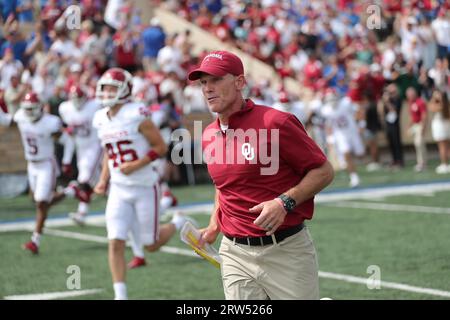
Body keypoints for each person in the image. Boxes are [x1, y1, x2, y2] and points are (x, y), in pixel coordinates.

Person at [188, 51, 334, 300]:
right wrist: (215, 223)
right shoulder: (209, 134)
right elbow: (224, 186)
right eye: (203, 83)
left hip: (286, 250)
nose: (208, 89)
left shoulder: (275, 122)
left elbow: (323, 171)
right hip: (235, 253)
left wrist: (284, 203)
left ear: (239, 82)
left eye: (216, 80)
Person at [92, 67, 190, 300]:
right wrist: (103, 179)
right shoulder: (100, 118)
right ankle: (121, 295)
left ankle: (178, 222)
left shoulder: (136, 113)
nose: (106, 92)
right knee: (115, 240)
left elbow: (161, 147)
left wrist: (136, 164)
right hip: (118, 188)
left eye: (111, 88)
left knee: (151, 245)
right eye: (103, 87)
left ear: (125, 90)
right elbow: (109, 152)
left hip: (145, 185)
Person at [0, 92, 62, 254]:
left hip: (47, 163)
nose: (29, 112)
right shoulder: (20, 116)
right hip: (32, 165)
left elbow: (63, 138)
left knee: (41, 202)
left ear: (40, 107)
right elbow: (5, 120)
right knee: (39, 201)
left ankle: (35, 240)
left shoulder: (50, 122)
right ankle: (70, 192)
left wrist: (67, 159)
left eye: (31, 109)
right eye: (26, 109)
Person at [58, 85, 103, 225]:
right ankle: (82, 213)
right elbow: (70, 134)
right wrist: (66, 159)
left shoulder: (94, 105)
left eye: (79, 98)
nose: (77, 101)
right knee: (91, 183)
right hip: (81, 148)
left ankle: (70, 190)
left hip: (95, 146)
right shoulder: (65, 109)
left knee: (84, 179)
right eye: (74, 98)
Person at [427, 89, 450, 174]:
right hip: (445, 126)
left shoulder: (442, 104)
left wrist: (436, 99)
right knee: (446, 146)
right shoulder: (446, 103)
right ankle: (446, 164)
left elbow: (431, 108)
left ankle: (444, 164)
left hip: (441, 126)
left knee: (442, 147)